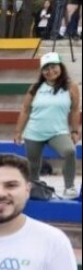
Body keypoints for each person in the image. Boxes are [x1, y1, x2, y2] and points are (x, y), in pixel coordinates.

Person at [14, 53, 80, 194]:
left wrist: (75, 131)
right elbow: (25, 110)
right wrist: (18, 131)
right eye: (46, 68)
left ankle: (69, 187)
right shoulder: (35, 87)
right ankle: (34, 189)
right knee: (33, 164)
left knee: (69, 151)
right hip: (34, 131)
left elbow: (75, 110)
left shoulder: (71, 87)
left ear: (61, 67)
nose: (50, 71)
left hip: (58, 131)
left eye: (54, 67)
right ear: (41, 71)